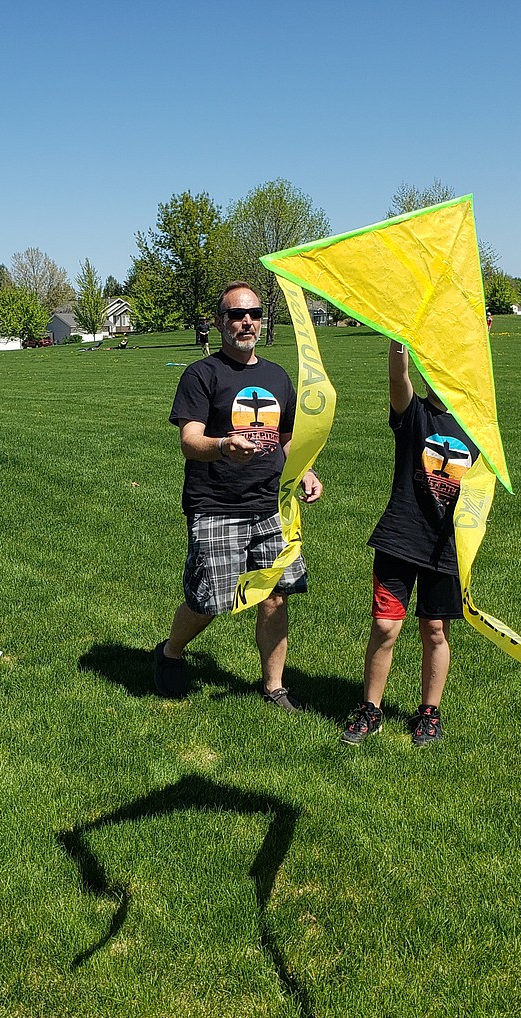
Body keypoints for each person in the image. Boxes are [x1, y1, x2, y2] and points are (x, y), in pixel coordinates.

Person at [153, 282, 323, 711]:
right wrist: (224, 446)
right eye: (235, 314)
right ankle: (170, 651)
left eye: (254, 313)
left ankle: (274, 686)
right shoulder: (200, 375)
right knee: (210, 599)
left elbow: (285, 439)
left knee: (276, 593)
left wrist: (303, 471)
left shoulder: (277, 376)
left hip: (271, 504)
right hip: (216, 504)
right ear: (219, 321)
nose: (246, 321)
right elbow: (190, 441)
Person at [340, 339, 478, 747]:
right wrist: (401, 339)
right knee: (385, 626)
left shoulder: (477, 430)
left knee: (435, 630)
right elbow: (397, 376)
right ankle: (370, 709)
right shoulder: (413, 414)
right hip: (400, 537)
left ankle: (429, 714)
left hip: (447, 547)